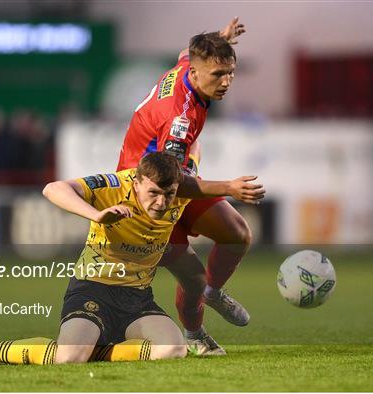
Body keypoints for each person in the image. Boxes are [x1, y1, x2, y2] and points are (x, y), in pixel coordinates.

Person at [0, 152, 265, 366]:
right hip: (92, 290)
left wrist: (231, 187)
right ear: (137, 181)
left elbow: (197, 169)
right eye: (153, 193)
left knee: (172, 350)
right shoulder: (114, 184)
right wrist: (95, 215)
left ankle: (89, 346)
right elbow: (53, 188)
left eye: (168, 195)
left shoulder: (179, 191)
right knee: (68, 359)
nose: (161, 202)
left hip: (137, 299)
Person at [117, 18, 253, 355]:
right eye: (218, 75)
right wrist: (229, 187)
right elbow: (170, 185)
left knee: (237, 233)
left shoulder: (186, 67)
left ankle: (214, 293)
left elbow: (185, 52)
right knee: (193, 279)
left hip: (169, 172)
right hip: (147, 199)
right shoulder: (179, 120)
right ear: (194, 74)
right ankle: (195, 336)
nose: (226, 82)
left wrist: (220, 39)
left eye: (230, 73)